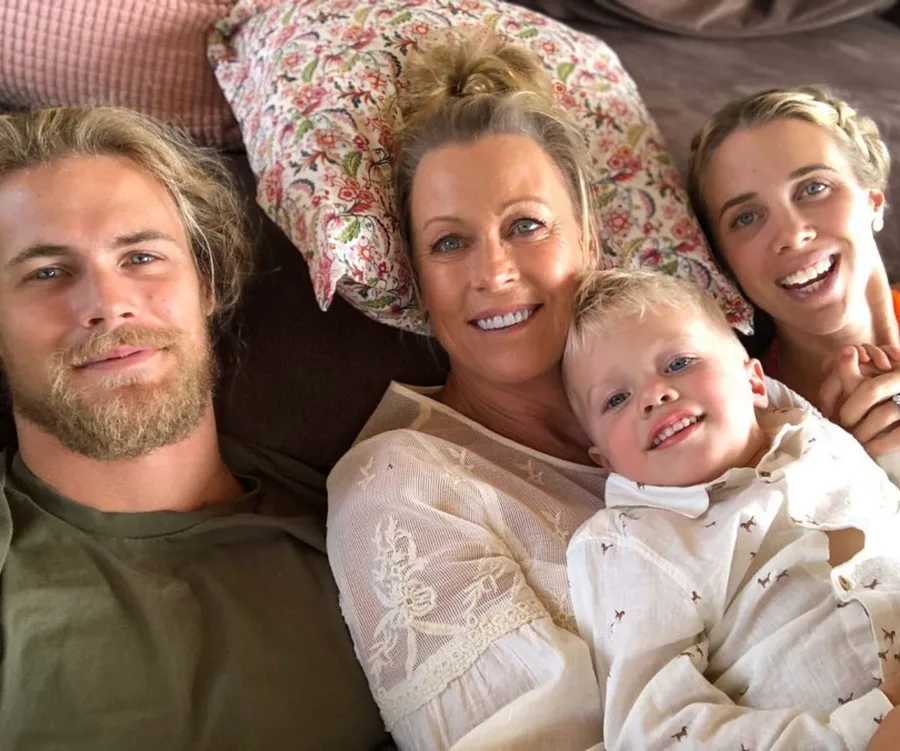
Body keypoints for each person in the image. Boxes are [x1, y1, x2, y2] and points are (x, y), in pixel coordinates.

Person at [0, 106, 389, 750]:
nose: (107, 304)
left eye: (141, 256)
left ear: (206, 284)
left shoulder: (374, 534)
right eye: (46, 272)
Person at [326, 30, 607, 750]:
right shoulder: (400, 488)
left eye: (526, 225)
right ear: (418, 280)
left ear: (589, 239)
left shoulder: (699, 386)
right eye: (450, 242)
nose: (493, 272)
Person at [563, 268, 900, 750]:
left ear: (756, 383)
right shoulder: (633, 540)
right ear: (606, 461)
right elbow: (653, 729)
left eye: (678, 363)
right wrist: (858, 731)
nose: (654, 395)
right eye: (616, 399)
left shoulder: (815, 434)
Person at [688, 87, 900, 476]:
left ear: (873, 200)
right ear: (723, 260)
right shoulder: (747, 424)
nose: (791, 233)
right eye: (746, 217)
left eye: (814, 188)